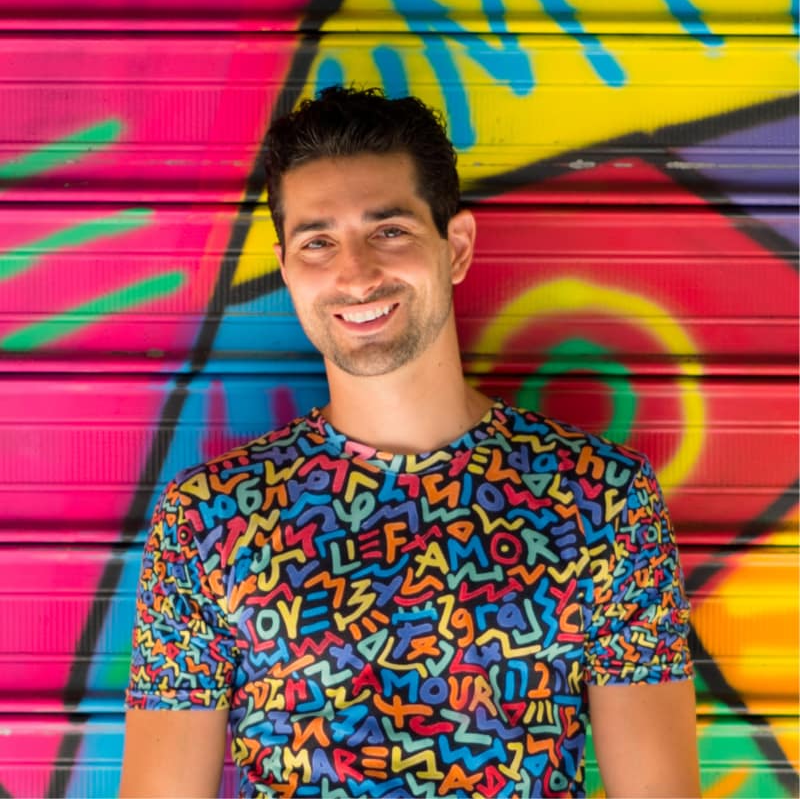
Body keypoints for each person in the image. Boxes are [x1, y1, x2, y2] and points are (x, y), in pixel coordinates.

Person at [119, 86, 700, 798]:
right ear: (287, 268)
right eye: (317, 241)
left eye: (388, 231)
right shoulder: (207, 519)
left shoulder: (603, 499)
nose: (355, 273)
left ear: (455, 246)